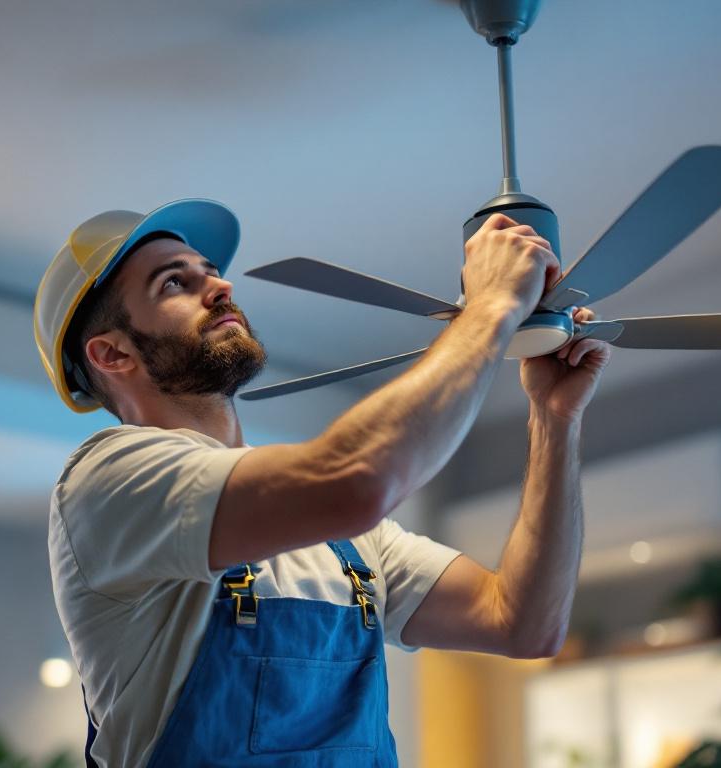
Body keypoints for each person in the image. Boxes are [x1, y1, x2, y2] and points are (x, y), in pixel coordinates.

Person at [33, 199, 611, 767]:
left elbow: (522, 622)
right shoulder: (108, 479)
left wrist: (553, 418)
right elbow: (357, 481)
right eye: (173, 285)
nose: (220, 287)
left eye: (211, 272)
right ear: (112, 353)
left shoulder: (346, 542)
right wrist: (491, 308)